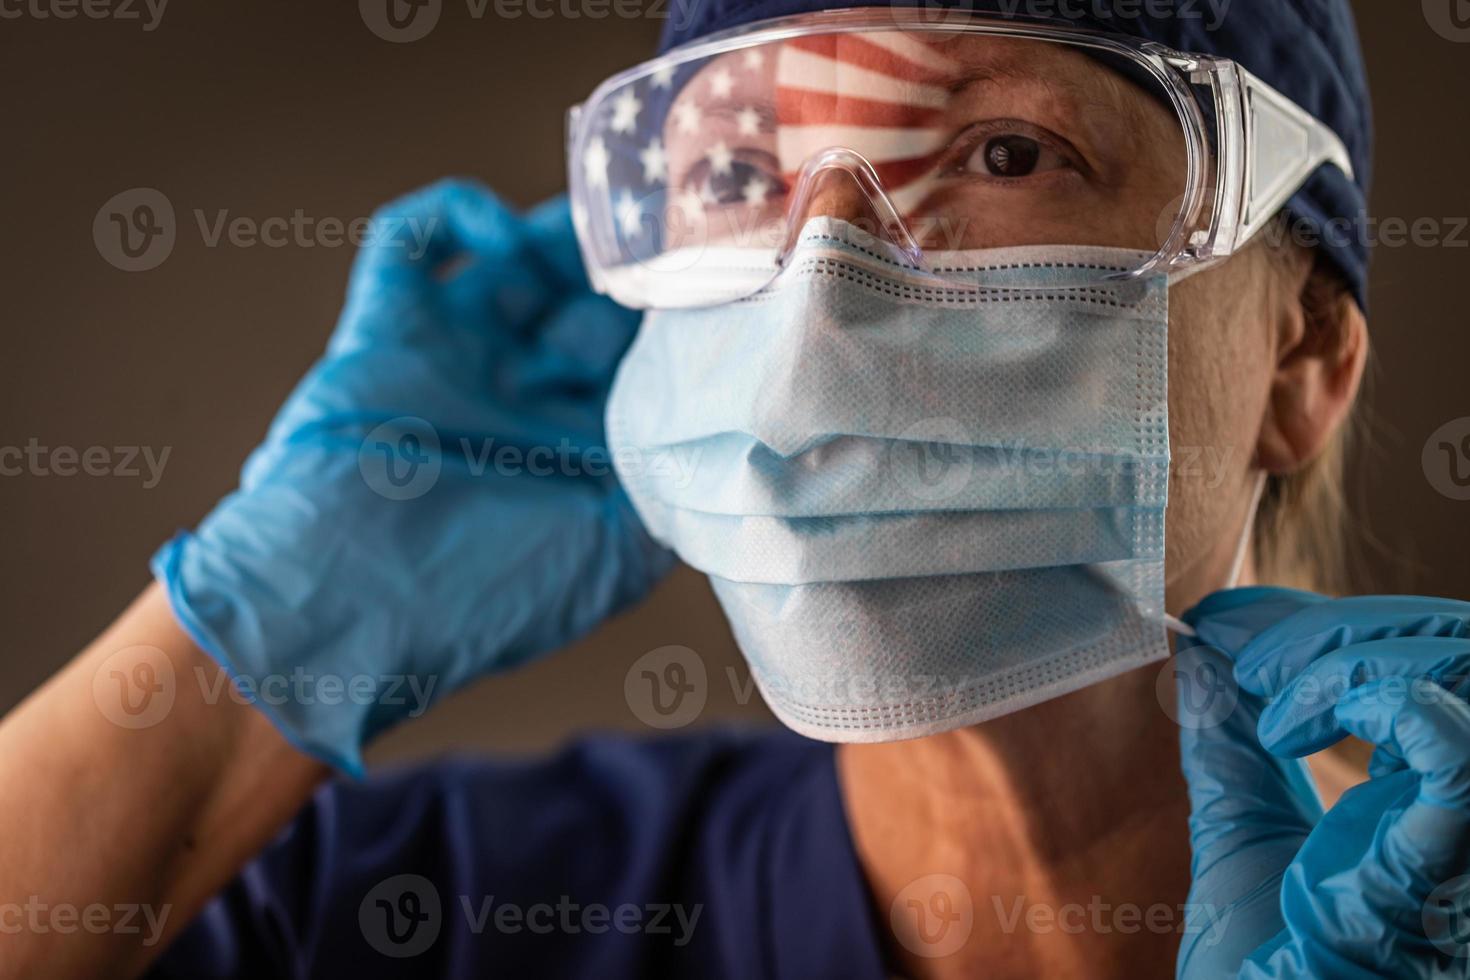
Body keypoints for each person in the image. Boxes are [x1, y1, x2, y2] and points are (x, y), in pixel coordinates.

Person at [3, 2, 1468, 978]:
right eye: (736, 178)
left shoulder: (1434, 909)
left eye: (1005, 152)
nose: (817, 298)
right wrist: (255, 635)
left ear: (1300, 359)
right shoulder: (444, 907)